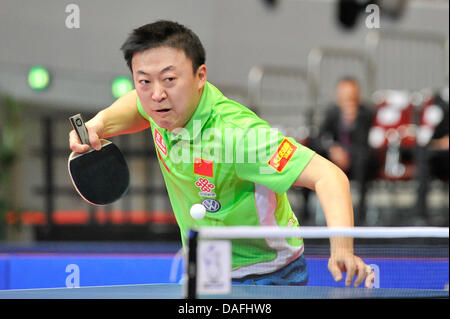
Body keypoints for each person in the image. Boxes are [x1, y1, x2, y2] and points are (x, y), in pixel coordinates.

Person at [69, 20, 372, 287]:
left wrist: (342, 249)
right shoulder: (159, 107)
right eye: (144, 80)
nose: (156, 93)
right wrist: (99, 124)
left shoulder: (237, 137)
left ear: (200, 76)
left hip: (266, 274)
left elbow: (328, 176)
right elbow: (136, 104)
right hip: (206, 270)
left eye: (169, 79)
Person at [313, 77, 376, 225]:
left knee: (363, 160)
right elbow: (319, 138)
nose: (348, 100)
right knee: (314, 158)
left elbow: (366, 143)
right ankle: (306, 215)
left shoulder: (366, 113)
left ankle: (360, 215)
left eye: (352, 95)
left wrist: (352, 122)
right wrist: (333, 148)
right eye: (344, 95)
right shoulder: (332, 113)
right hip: (334, 161)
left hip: (358, 162)